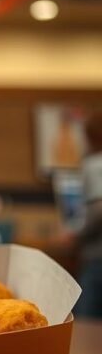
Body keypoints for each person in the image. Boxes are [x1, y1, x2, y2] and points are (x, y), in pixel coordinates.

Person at [73, 111, 102, 318]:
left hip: (97, 257)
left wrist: (75, 233)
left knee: (86, 323)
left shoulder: (95, 165)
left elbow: (99, 208)